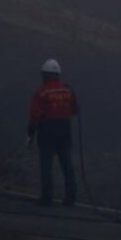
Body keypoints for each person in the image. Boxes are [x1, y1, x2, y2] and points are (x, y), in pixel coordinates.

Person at [26, 59, 78, 207]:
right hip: (65, 130)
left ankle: (47, 197)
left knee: (46, 165)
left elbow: (35, 115)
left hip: (47, 131)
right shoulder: (68, 91)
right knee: (67, 164)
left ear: (45, 75)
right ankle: (71, 198)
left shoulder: (42, 92)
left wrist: (30, 134)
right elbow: (75, 110)